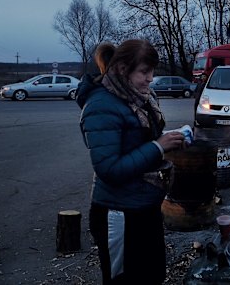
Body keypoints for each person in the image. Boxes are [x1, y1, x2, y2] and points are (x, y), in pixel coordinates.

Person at [76, 40, 186, 285]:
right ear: (123, 69)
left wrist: (172, 139)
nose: (150, 79)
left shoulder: (137, 98)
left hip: (145, 206)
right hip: (119, 212)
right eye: (144, 72)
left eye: (152, 72)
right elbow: (109, 169)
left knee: (153, 275)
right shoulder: (101, 105)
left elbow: (140, 140)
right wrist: (159, 146)